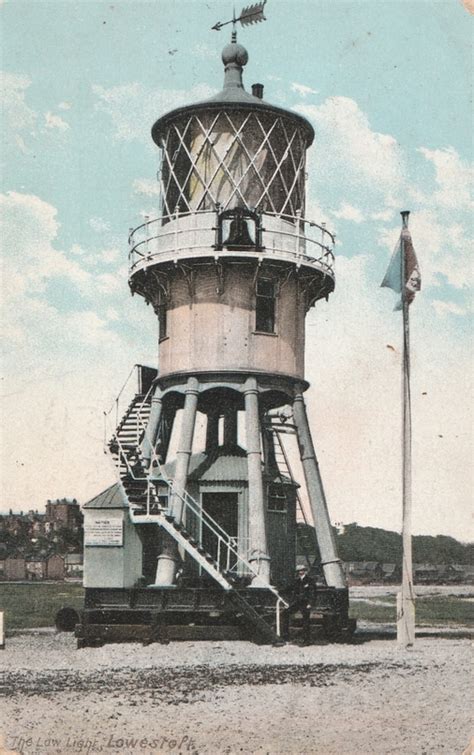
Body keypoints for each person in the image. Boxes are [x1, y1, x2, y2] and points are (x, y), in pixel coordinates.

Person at [281, 564, 316, 644]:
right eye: (299, 571)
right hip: (297, 602)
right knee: (284, 614)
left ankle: (306, 640)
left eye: (302, 570)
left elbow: (312, 592)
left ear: (305, 571)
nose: (300, 572)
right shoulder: (297, 581)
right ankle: (285, 637)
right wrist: (279, 591)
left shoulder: (310, 580)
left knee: (305, 621)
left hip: (305, 603)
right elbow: (289, 588)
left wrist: (310, 603)